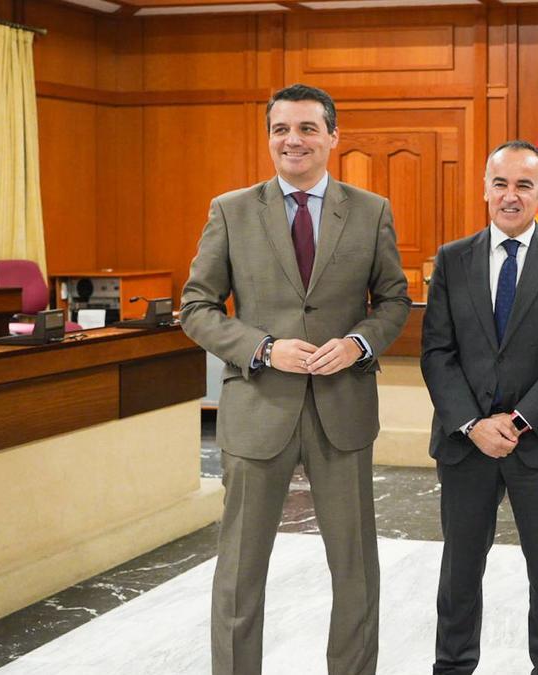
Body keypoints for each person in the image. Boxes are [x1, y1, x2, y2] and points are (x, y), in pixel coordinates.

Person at [180, 83, 411, 675]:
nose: (293, 140)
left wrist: (358, 343)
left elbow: (392, 301)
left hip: (343, 411)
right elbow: (197, 308)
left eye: (308, 128)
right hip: (258, 409)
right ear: (269, 138)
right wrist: (262, 347)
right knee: (238, 570)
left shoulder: (370, 210)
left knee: (355, 568)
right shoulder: (231, 210)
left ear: (333, 137)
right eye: (281, 129)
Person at [421, 140, 538, 675]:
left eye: (524, 185)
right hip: (465, 444)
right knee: (459, 569)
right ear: (485, 190)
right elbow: (437, 351)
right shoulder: (453, 259)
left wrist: (519, 421)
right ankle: (452, 665)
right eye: (501, 183)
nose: (512, 195)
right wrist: (473, 424)